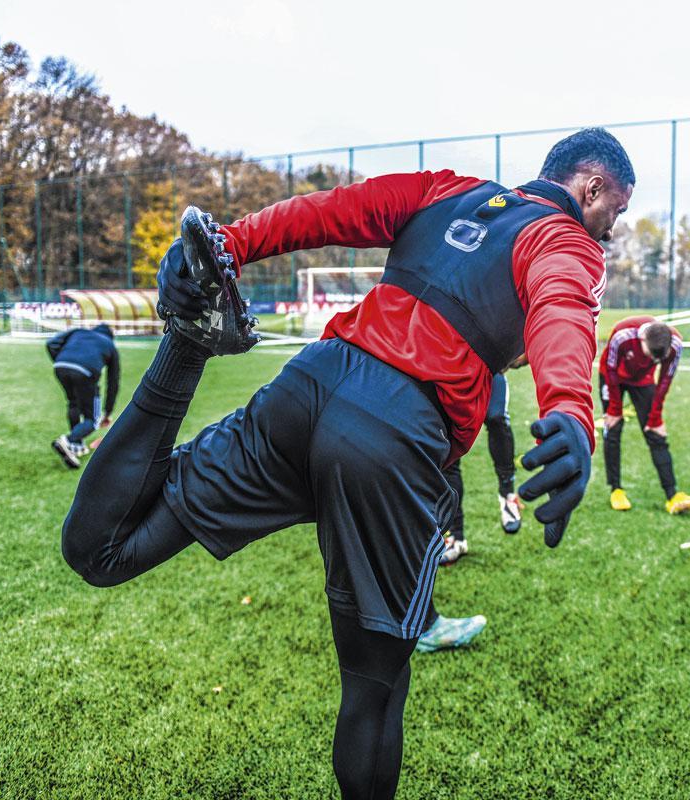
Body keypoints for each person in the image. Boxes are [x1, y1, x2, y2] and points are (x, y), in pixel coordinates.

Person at [59, 127, 634, 799]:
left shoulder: (447, 189)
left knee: (100, 553)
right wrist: (569, 410)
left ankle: (187, 345)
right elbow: (565, 304)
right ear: (590, 187)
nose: (610, 231)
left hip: (307, 391)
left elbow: (330, 209)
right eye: (613, 212)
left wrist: (227, 247)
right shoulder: (566, 239)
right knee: (374, 692)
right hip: (393, 444)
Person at [599, 315, 690, 514]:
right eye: (649, 355)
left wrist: (655, 417)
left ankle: (673, 496)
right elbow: (610, 369)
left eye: (658, 359)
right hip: (613, 378)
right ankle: (616, 490)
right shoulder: (622, 334)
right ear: (642, 340)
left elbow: (665, 380)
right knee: (613, 429)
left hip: (642, 381)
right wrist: (614, 409)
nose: (653, 361)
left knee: (656, 434)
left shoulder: (675, 345)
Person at [439, 366, 525, 566]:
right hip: (450, 369)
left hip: (487, 365)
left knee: (496, 417)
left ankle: (507, 496)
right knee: (448, 452)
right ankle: (456, 537)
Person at [46, 323, 119, 469]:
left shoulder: (79, 331)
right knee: (92, 420)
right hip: (85, 372)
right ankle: (67, 440)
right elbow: (113, 381)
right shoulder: (109, 344)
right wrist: (108, 411)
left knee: (73, 403)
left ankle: (75, 446)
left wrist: (62, 359)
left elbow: (51, 343)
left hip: (60, 367)